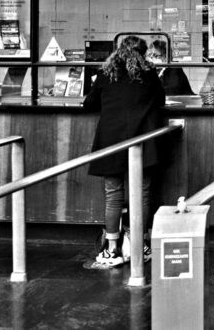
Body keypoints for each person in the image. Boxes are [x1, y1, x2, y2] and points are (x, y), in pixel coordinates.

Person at [82, 36, 165, 268]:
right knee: (142, 193)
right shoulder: (149, 75)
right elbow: (161, 100)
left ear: (118, 52)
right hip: (143, 141)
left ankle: (112, 249)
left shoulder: (106, 74)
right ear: (142, 52)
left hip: (111, 140)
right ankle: (142, 245)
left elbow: (89, 104)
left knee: (113, 194)